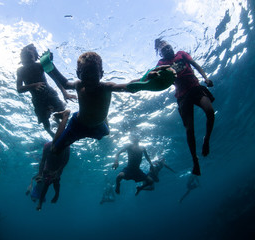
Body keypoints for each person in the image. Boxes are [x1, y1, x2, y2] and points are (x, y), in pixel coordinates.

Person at [51, 52, 173, 153]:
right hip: (78, 125)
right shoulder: (78, 85)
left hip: (98, 126)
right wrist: (50, 65)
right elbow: (66, 84)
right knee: (55, 150)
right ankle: (65, 115)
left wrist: (145, 78)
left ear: (101, 74)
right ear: (78, 74)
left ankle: (104, 118)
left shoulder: (106, 87)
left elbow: (128, 87)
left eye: (94, 74)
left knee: (107, 132)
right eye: (86, 74)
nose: (90, 78)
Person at [155, 38, 215, 176]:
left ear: (172, 46)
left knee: (210, 111)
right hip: (182, 96)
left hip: (196, 88)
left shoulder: (181, 54)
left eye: (168, 46)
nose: (167, 49)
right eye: (163, 49)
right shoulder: (162, 63)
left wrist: (205, 78)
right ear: (160, 54)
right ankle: (195, 160)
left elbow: (195, 65)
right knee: (189, 130)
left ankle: (206, 139)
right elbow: (159, 79)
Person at [16, 44, 76, 137]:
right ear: (22, 57)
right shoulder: (20, 70)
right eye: (27, 51)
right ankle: (52, 134)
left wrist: (64, 92)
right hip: (38, 100)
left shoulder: (40, 65)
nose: (30, 52)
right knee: (45, 121)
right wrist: (33, 85)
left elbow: (55, 79)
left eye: (32, 51)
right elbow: (19, 89)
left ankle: (57, 119)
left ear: (35, 56)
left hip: (50, 94)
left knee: (62, 110)